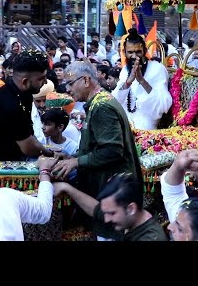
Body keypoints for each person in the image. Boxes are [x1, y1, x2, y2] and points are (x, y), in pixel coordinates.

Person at [51, 60, 143, 240]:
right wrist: (72, 157)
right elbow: (96, 146)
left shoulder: (102, 106)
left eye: (70, 84)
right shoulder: (97, 103)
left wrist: (77, 162)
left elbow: (112, 151)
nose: (68, 90)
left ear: (86, 80)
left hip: (113, 191)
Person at [0, 50, 57, 164]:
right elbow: (28, 147)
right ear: (25, 82)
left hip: (20, 157)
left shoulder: (23, 92)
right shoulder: (9, 103)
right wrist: (52, 154)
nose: (46, 82)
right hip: (3, 168)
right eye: (41, 78)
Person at [53, 172, 168, 241]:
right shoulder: (130, 218)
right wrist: (67, 188)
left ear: (131, 208)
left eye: (112, 213)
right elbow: (96, 210)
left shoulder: (151, 238)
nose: (106, 219)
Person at [111, 28, 172, 130]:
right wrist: (127, 83)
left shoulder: (157, 69)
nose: (134, 56)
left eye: (138, 52)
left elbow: (163, 106)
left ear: (145, 51)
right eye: (130, 52)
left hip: (146, 127)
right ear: (124, 53)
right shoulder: (125, 70)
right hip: (125, 124)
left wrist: (142, 81)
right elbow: (115, 100)